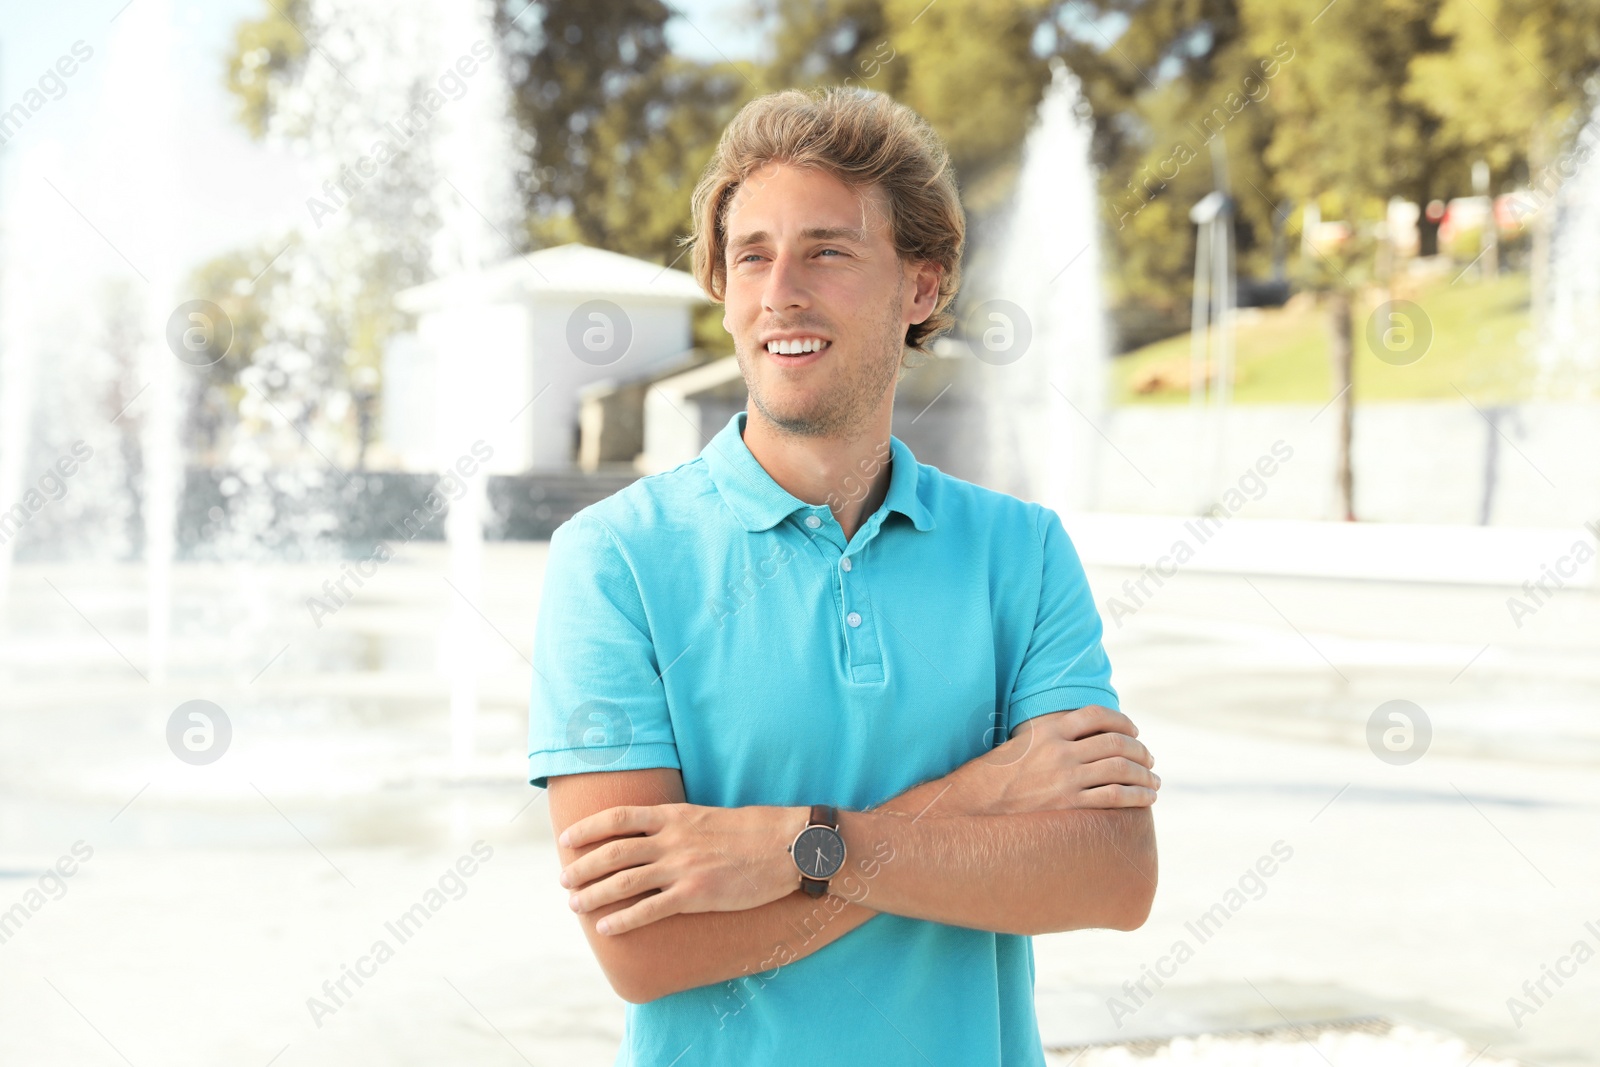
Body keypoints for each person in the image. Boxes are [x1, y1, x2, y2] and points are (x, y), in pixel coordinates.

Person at [527, 85, 1160, 1067]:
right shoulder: (612, 561)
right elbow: (644, 943)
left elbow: (1111, 876)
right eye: (752, 254)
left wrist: (791, 848)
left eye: (826, 249)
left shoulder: (1020, 551)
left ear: (921, 287)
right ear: (723, 288)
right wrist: (987, 794)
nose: (781, 287)